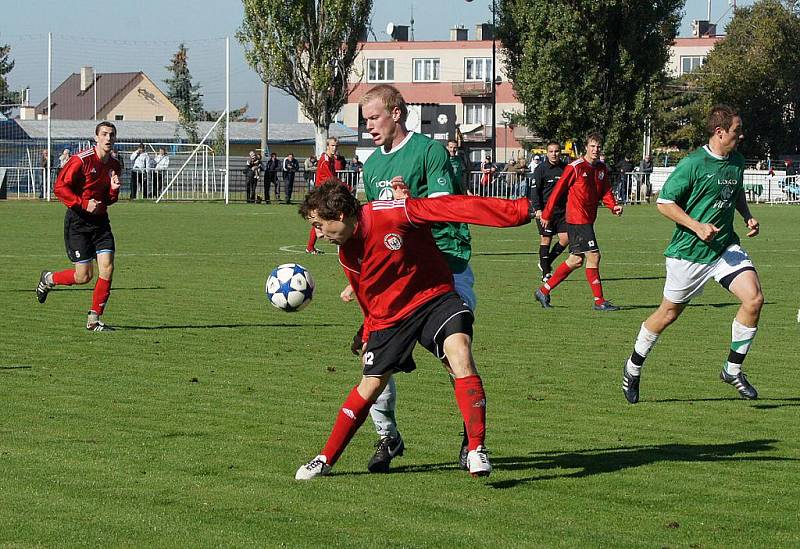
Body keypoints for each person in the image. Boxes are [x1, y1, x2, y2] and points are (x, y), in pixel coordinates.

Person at [294, 181, 534, 480]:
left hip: (433, 297)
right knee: (369, 386)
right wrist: (366, 331)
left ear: (340, 214)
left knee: (459, 352)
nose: (316, 235)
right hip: (391, 317)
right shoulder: (346, 254)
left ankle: (476, 449)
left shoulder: (394, 214)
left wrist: (522, 209)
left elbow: (457, 206)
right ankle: (325, 458)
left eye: (318, 225)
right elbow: (368, 294)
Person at [354, 83, 476, 474]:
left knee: (454, 357)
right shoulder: (372, 167)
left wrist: (411, 204)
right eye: (365, 120)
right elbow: (373, 226)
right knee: (374, 362)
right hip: (398, 277)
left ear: (396, 113)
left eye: (374, 117)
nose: (369, 126)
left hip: (446, 267)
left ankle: (472, 438)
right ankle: (387, 435)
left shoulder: (429, 152)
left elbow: (444, 208)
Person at [622, 104, 763, 404]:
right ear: (719, 132)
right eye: (736, 131)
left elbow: (734, 189)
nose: (741, 136)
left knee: (754, 298)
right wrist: (696, 226)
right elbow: (664, 202)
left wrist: (746, 215)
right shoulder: (693, 163)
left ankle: (732, 369)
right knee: (667, 314)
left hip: (725, 248)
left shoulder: (736, 160)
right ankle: (633, 366)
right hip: (689, 254)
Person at [35, 121, 122, 331]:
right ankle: (49, 279)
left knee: (107, 268)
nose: (108, 138)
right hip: (78, 222)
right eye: (104, 134)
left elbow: (109, 200)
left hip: (100, 223)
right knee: (83, 276)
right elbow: (59, 188)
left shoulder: (114, 165)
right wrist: (83, 203)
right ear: (96, 137)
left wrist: (113, 190)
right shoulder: (80, 160)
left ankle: (94, 320)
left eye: (112, 134)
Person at [534, 132, 623, 311]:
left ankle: (543, 290)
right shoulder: (575, 167)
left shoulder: (601, 169)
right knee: (594, 256)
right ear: (586, 147)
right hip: (577, 218)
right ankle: (599, 301)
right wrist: (546, 213)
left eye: (598, 146)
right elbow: (558, 190)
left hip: (588, 219)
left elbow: (605, 191)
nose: (596, 150)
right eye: (592, 146)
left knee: (575, 260)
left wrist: (613, 206)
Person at [530, 141, 569, 282]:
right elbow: (534, 191)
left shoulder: (565, 168)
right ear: (547, 153)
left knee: (566, 239)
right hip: (545, 211)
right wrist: (538, 209)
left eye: (557, 151)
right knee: (546, 239)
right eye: (551, 151)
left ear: (560, 152)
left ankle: (545, 262)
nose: (554, 154)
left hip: (562, 211)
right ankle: (546, 273)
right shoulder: (541, 169)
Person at [305, 138, 342, 254]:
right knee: (330, 217)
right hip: (321, 194)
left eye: (336, 146)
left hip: (326, 194)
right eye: (332, 146)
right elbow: (330, 178)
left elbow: (333, 177)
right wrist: (345, 186)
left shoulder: (330, 159)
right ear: (327, 146)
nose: (334, 148)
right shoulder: (325, 160)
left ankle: (310, 247)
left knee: (322, 218)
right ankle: (339, 243)